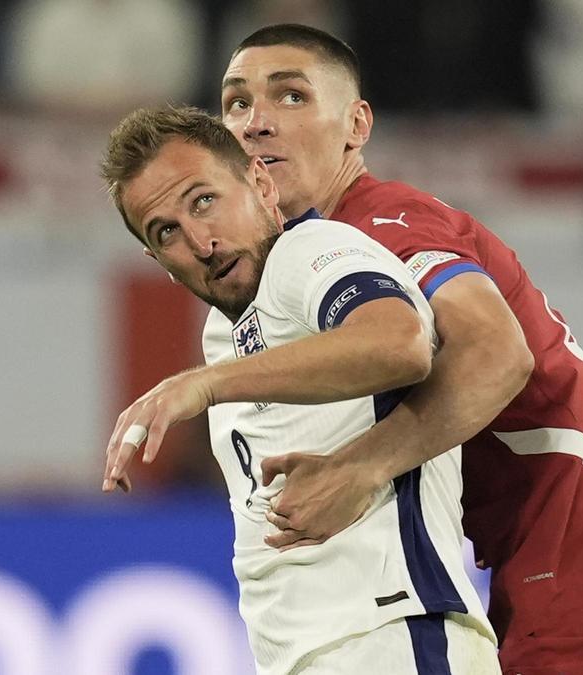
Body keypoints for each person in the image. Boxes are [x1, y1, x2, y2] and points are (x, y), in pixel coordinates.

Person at [218, 24, 583, 674]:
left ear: (356, 125)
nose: (256, 122)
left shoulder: (381, 228)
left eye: (290, 97)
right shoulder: (324, 257)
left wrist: (358, 468)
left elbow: (496, 355)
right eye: (236, 103)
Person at [99, 106, 499, 675]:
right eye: (167, 231)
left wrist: (203, 386)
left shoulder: (307, 251)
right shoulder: (227, 330)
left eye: (204, 200)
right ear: (156, 259)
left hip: (390, 636)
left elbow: (399, 339)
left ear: (261, 184)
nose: (200, 241)